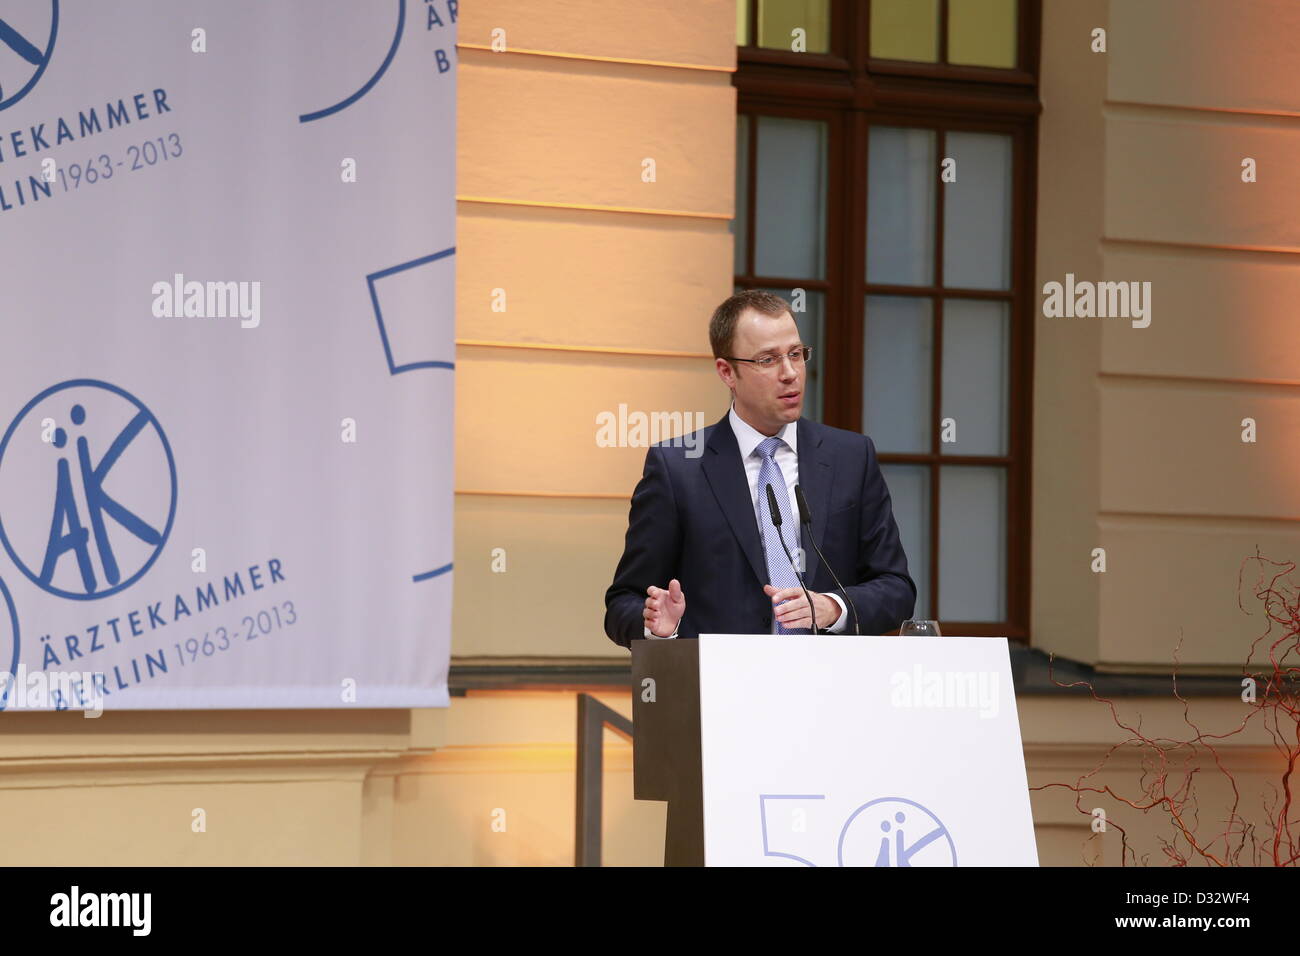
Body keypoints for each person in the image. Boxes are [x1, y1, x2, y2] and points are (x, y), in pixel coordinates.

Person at [603, 290, 916, 647]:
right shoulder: (678, 468)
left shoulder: (851, 457)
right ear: (727, 372)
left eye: (796, 355)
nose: (790, 374)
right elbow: (622, 603)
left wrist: (833, 607)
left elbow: (896, 589)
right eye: (767, 360)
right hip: (723, 692)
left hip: (830, 690)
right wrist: (659, 627)